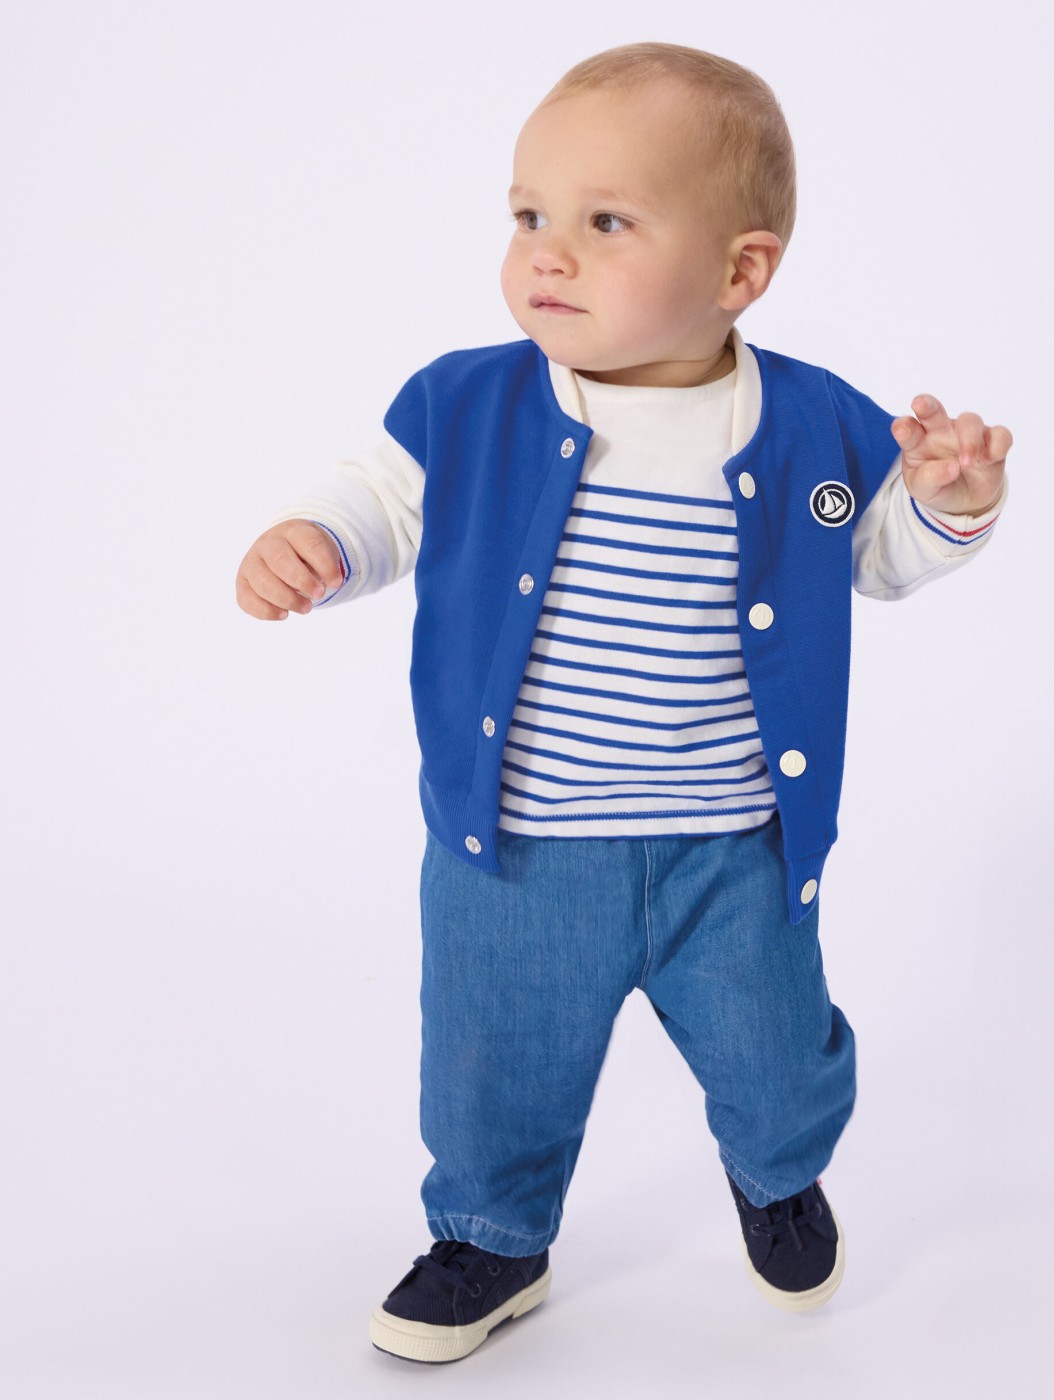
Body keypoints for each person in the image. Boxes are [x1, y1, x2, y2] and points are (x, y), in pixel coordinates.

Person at [235, 42, 1011, 1365]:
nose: (548, 252)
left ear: (740, 272)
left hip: (732, 847)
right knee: (491, 1063)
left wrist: (952, 501)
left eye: (606, 223)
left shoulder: (815, 422)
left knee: (777, 1053)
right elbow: (378, 502)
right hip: (519, 849)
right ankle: (491, 1236)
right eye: (528, 213)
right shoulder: (466, 403)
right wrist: (317, 541)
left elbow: (882, 555)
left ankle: (780, 1174)